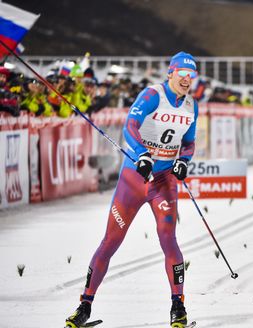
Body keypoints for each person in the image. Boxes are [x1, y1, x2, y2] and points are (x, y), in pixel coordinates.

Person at [65, 52, 199, 328]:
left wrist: (184, 162)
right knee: (110, 242)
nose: (187, 80)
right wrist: (141, 153)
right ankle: (84, 306)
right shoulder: (152, 95)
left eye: (192, 75)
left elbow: (188, 142)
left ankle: (178, 307)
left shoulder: (191, 106)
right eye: (182, 74)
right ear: (171, 73)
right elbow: (130, 125)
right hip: (134, 179)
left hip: (163, 182)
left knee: (168, 239)